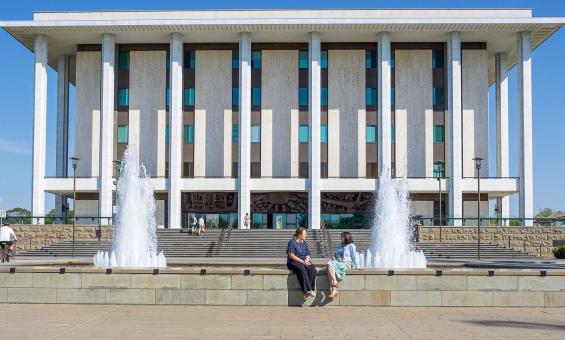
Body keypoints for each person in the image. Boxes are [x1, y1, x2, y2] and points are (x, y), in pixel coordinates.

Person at [326, 231, 361, 298]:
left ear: (346, 237)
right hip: (338, 262)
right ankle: (335, 283)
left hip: (346, 263)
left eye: (342, 236)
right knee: (330, 264)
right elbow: (335, 255)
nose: (340, 238)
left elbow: (354, 257)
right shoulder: (339, 245)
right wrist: (337, 258)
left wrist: (358, 266)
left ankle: (333, 288)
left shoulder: (351, 246)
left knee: (329, 265)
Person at [287, 227, 317, 297]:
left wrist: (307, 259)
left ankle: (310, 290)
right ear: (299, 234)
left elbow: (308, 253)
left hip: (304, 260)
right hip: (293, 261)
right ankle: (307, 290)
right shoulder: (292, 242)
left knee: (312, 269)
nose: (306, 235)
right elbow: (291, 255)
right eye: (304, 234)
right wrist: (303, 262)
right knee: (302, 269)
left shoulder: (305, 243)